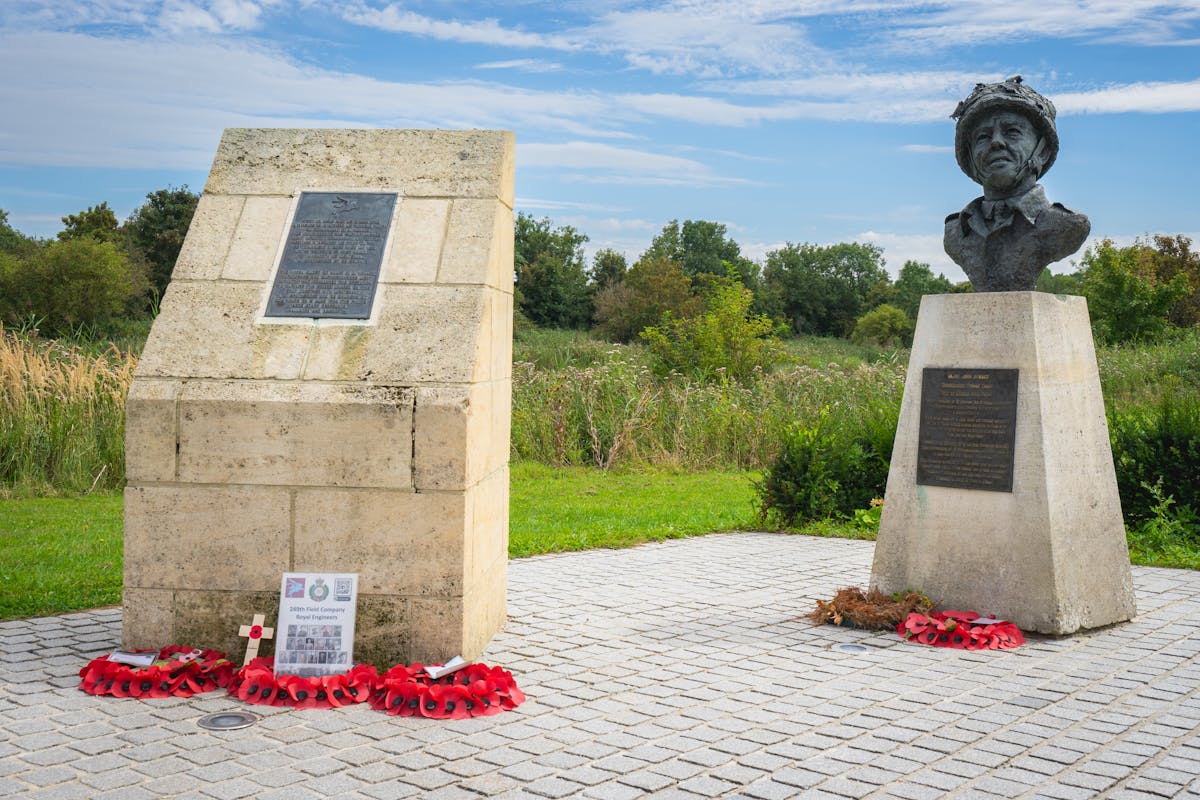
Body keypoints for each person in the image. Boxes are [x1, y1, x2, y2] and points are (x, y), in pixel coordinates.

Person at [944, 76, 1090, 292]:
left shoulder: (1066, 225)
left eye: (1012, 132)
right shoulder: (956, 232)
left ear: (1043, 151)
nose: (996, 142)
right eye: (982, 137)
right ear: (971, 157)